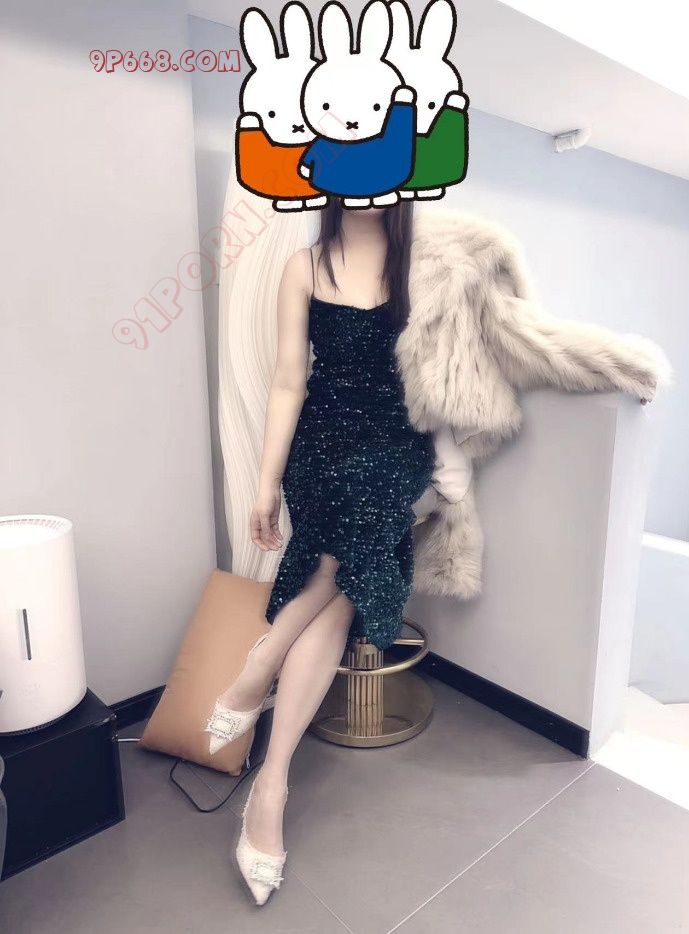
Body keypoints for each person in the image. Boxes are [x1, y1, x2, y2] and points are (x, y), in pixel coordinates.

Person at [205, 200, 436, 905]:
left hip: (397, 445)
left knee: (354, 532)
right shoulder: (303, 265)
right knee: (338, 596)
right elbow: (288, 380)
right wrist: (266, 484)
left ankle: (262, 665)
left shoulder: (426, 266)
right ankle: (271, 784)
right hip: (322, 442)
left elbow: (474, 349)